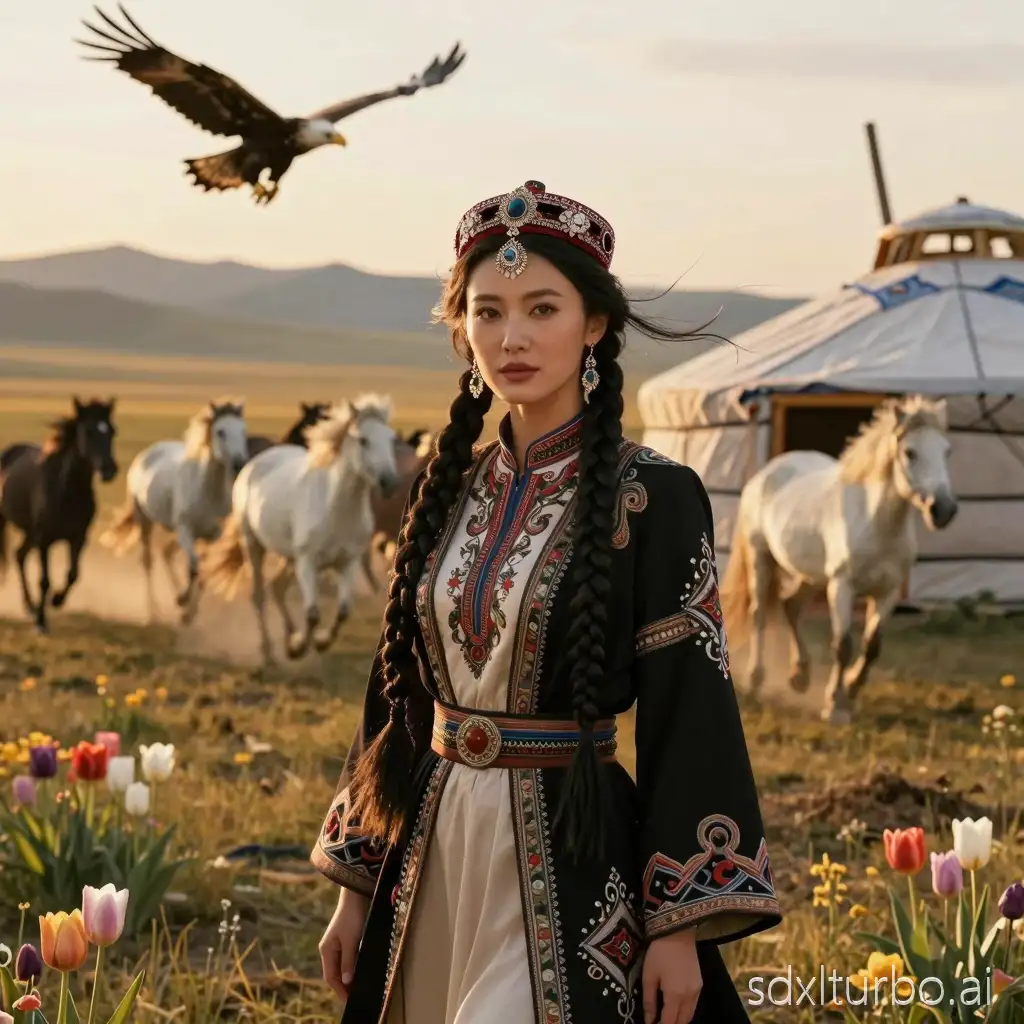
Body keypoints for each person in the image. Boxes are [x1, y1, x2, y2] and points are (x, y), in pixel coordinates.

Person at [313, 180, 782, 1024]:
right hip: (432, 851)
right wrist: (356, 886)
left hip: (574, 854)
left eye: (541, 308)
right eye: (487, 313)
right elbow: (396, 694)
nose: (512, 337)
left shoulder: (654, 497)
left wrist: (678, 928)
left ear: (594, 324)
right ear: (461, 330)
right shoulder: (445, 489)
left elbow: (691, 706)